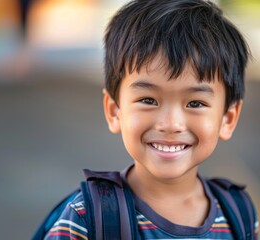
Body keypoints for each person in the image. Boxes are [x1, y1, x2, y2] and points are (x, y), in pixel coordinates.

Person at [36, 0, 259, 238]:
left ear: (228, 118)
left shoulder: (239, 214)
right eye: (148, 100)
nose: (171, 124)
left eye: (195, 103)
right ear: (114, 111)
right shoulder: (86, 220)